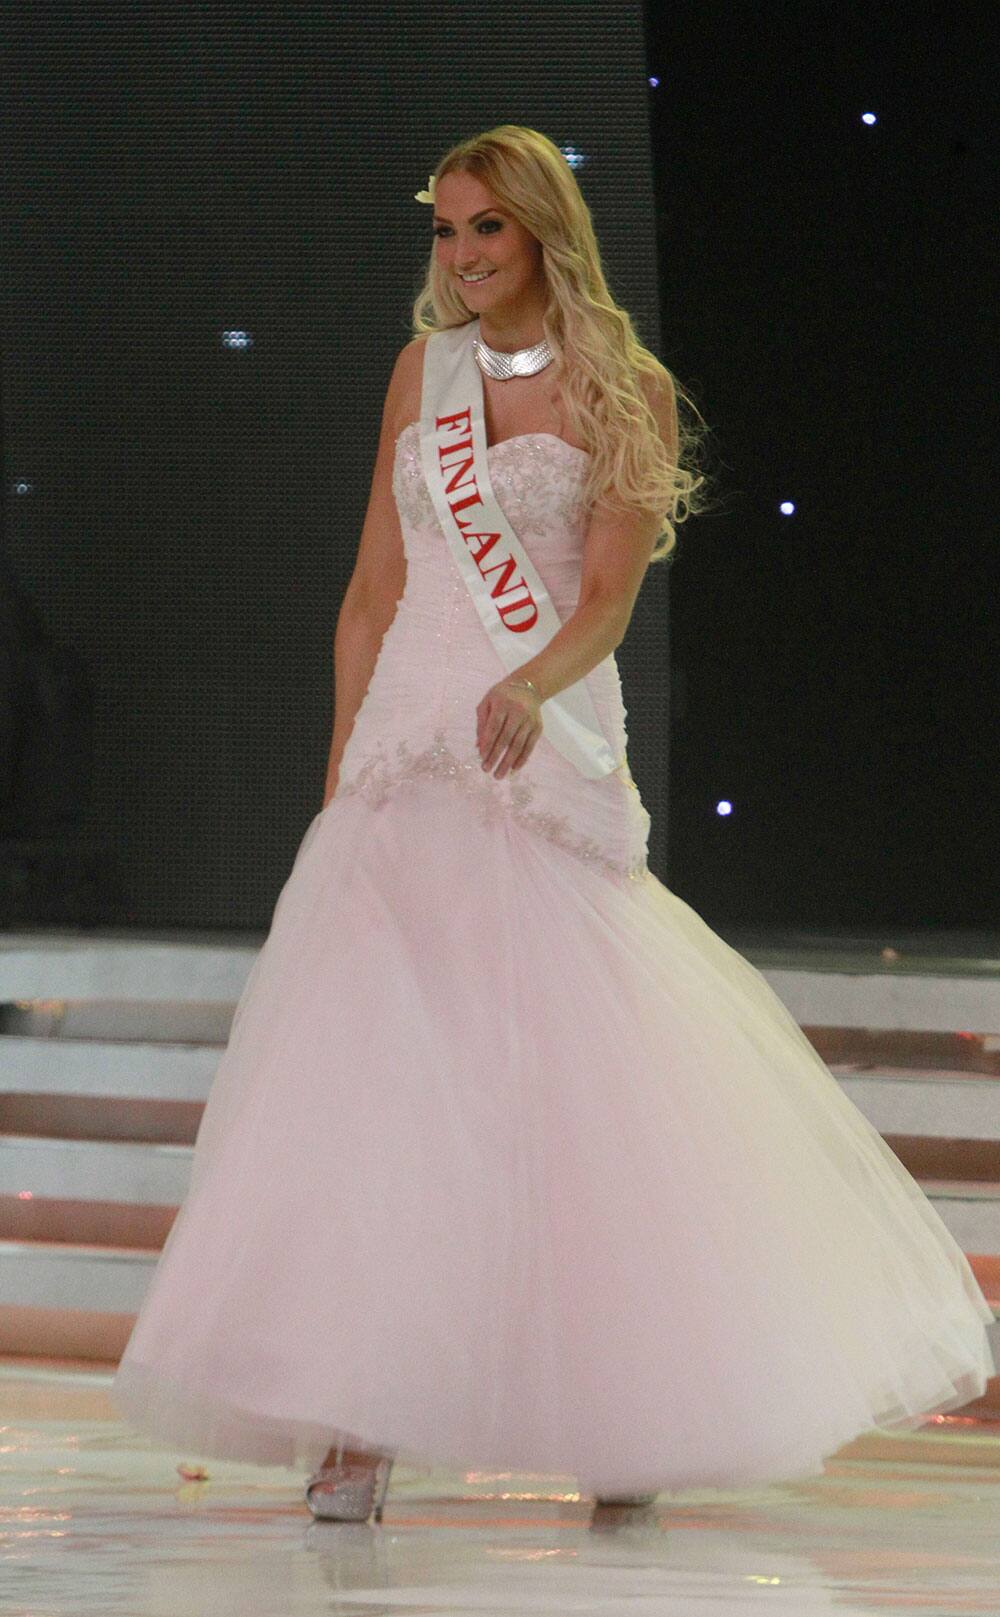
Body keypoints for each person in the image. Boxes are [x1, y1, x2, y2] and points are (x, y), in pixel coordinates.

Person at [110, 124, 996, 1526]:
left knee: (568, 1094)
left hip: (542, 731)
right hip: (408, 745)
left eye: (488, 234)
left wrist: (528, 681)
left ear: (543, 237)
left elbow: (606, 599)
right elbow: (367, 589)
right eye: (447, 232)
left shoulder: (620, 384)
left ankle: (621, 1410)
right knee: (367, 1092)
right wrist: (342, 759)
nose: (462, 261)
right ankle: (355, 1419)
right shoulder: (421, 374)